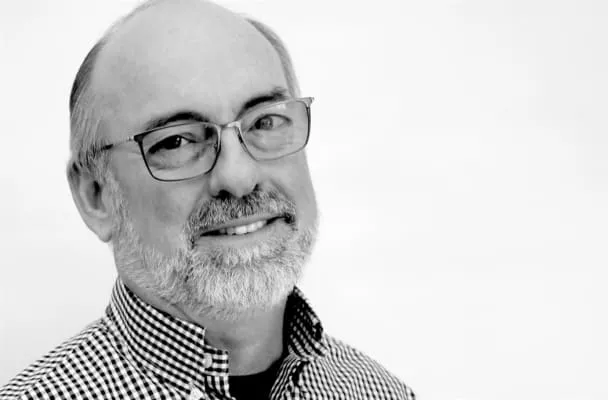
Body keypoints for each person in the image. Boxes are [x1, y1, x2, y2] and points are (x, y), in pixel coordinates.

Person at [0, 0, 415, 399]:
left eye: (265, 121)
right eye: (176, 141)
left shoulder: (382, 393)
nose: (239, 177)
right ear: (96, 196)